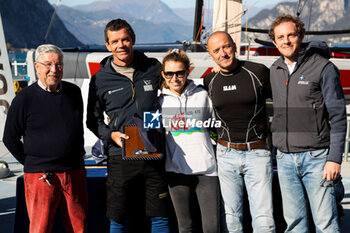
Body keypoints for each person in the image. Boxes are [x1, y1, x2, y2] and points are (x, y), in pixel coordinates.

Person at [86, 18, 169, 233]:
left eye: (125, 39)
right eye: (115, 42)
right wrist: (110, 134)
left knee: (159, 215)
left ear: (133, 40)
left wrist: (213, 74)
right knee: (118, 217)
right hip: (119, 154)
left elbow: (178, 81)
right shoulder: (99, 79)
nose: (120, 45)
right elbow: (92, 120)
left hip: (153, 152)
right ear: (107, 45)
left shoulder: (153, 68)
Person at [268, 14, 346, 232]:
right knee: (294, 224)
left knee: (326, 223)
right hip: (284, 158)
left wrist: (334, 159)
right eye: (280, 37)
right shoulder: (275, 70)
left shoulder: (323, 68)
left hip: (317, 158)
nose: (286, 41)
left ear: (300, 36)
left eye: (291, 35)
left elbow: (338, 117)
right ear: (274, 42)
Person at [3, 44, 87, 233]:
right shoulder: (24, 99)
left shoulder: (74, 93)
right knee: (40, 229)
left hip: (74, 173)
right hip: (41, 176)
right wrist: (32, 164)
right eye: (48, 64)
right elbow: (10, 138)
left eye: (58, 65)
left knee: (78, 228)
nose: (54, 70)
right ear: (37, 66)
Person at [204, 31, 275, 233]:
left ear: (234, 46)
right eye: (216, 50)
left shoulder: (258, 72)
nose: (223, 53)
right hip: (225, 154)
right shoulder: (210, 80)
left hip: (258, 153)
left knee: (264, 218)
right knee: (231, 219)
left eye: (226, 47)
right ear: (211, 55)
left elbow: (284, 102)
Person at [159, 49, 220, 233]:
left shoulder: (202, 95)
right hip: (176, 170)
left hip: (207, 170)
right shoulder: (158, 100)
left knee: (212, 228)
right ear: (163, 74)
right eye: (169, 73)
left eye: (180, 73)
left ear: (188, 72)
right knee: (185, 227)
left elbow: (217, 123)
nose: (175, 78)